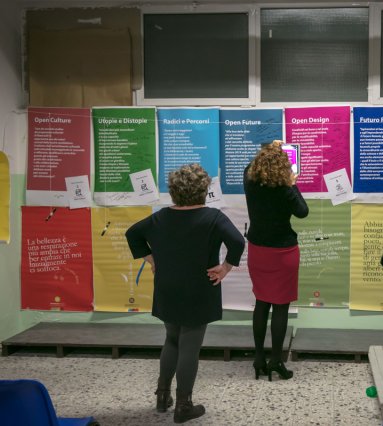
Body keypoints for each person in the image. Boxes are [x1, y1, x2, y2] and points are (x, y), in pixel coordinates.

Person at [125, 163, 245, 424]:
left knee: (172, 339)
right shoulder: (213, 217)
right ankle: (183, 405)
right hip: (198, 288)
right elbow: (237, 241)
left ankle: (162, 396)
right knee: (190, 345)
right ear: (203, 190)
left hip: (168, 286)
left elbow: (132, 234)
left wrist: (152, 259)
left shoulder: (160, 217)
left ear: (174, 191)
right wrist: (225, 268)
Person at [244, 140, 309, 381]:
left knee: (261, 303)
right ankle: (276, 361)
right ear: (284, 166)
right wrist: (292, 183)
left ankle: (259, 359)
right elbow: (303, 211)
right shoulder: (284, 187)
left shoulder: (249, 178)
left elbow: (251, 165)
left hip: (258, 250)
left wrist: (269, 148)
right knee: (280, 306)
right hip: (283, 252)